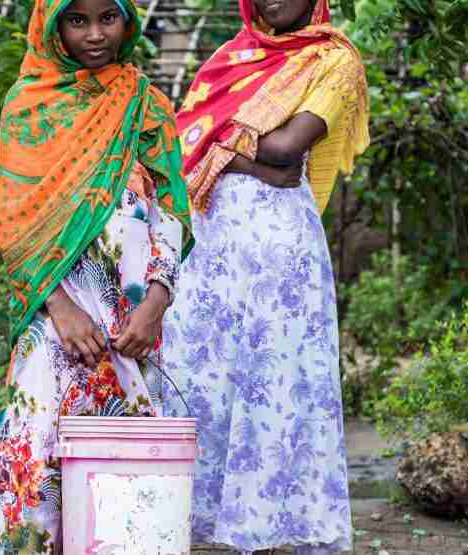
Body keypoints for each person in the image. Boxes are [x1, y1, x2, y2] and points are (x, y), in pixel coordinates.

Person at [0, 0, 192, 551]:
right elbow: (15, 222)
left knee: (122, 461)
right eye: (77, 19)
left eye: (109, 16)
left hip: (133, 320)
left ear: (129, 22)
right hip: (54, 317)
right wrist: (60, 307)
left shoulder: (145, 104)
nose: (95, 33)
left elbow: (172, 211)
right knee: (36, 450)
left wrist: (155, 303)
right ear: (52, 24)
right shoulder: (28, 106)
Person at [163, 0, 370, 553]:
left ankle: (277, 524)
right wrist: (246, 158)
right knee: (197, 375)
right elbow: (183, 141)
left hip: (282, 252)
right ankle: (199, 519)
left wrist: (220, 146)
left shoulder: (333, 60)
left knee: (278, 381)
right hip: (217, 248)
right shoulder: (234, 56)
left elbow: (286, 149)